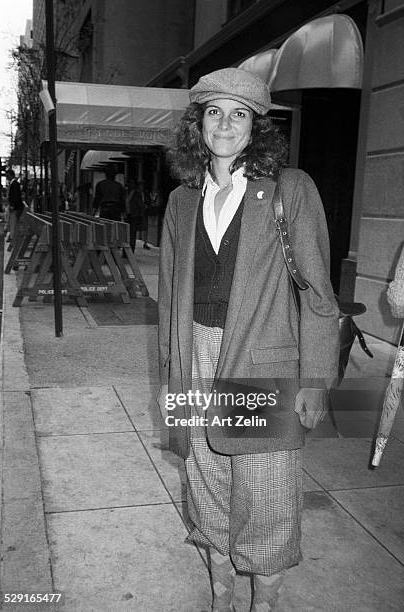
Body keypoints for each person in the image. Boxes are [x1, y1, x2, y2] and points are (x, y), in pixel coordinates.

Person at [157, 67, 340, 611]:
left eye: (239, 114)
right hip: (195, 355)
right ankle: (221, 596)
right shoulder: (181, 202)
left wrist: (315, 379)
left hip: (261, 361)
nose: (225, 124)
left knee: (265, 497)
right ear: (198, 125)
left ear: (257, 127)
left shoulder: (289, 189)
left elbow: (318, 294)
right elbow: (169, 297)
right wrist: (173, 373)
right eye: (214, 112)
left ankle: (263, 605)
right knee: (206, 483)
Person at [126, 179, 146, 252]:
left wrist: (140, 216)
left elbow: (140, 205)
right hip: (127, 215)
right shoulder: (126, 193)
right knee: (126, 234)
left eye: (132, 184)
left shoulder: (137, 194)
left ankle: (131, 251)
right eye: (129, 183)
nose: (130, 185)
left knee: (132, 234)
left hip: (134, 216)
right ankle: (125, 251)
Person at [6, 169, 24, 240]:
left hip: (15, 207)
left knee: (13, 222)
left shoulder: (15, 184)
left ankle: (13, 237)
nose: (7, 177)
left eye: (7, 175)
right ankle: (12, 236)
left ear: (11, 175)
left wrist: (12, 206)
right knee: (12, 222)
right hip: (15, 207)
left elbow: (15, 196)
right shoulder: (14, 183)